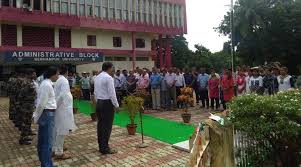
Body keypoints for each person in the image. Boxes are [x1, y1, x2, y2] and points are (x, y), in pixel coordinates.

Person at [33, 66, 59, 167]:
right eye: (57, 74)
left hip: (47, 113)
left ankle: (45, 162)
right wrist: (36, 116)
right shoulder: (46, 85)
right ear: (52, 74)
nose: (58, 76)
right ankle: (47, 164)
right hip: (47, 114)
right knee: (47, 142)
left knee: (44, 140)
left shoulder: (47, 83)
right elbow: (40, 103)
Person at [94, 62, 119, 155]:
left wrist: (98, 102)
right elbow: (112, 94)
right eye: (113, 68)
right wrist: (116, 105)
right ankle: (105, 148)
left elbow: (95, 92)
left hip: (99, 102)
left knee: (100, 126)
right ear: (109, 68)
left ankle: (101, 146)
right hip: (106, 103)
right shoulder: (108, 78)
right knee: (107, 127)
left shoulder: (97, 77)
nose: (114, 70)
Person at [53, 66, 77, 160]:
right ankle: (59, 152)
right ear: (67, 72)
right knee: (62, 131)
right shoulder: (64, 80)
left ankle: (55, 149)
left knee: (57, 130)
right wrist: (56, 106)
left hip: (60, 108)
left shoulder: (59, 79)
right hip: (62, 109)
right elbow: (62, 95)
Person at [18, 68, 37, 145]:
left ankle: (27, 133)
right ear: (30, 74)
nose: (35, 75)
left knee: (28, 121)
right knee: (25, 122)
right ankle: (23, 139)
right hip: (26, 106)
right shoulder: (25, 83)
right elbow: (21, 95)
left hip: (29, 105)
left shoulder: (30, 82)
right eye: (34, 73)